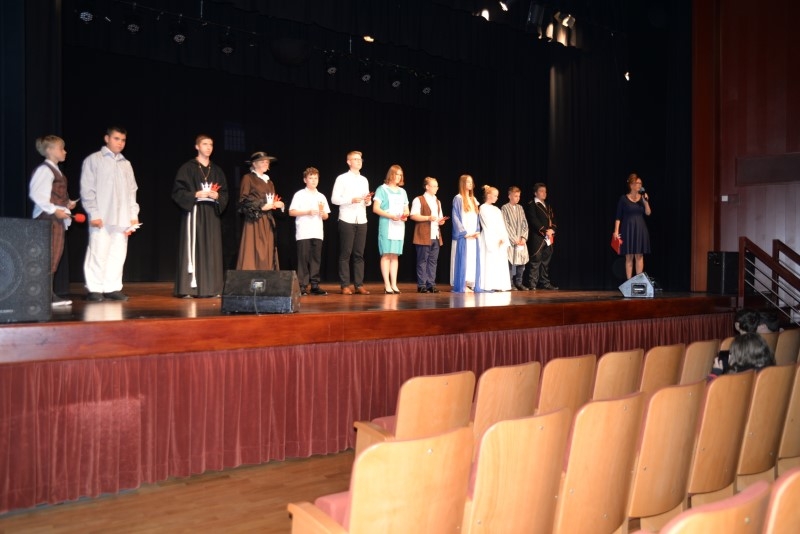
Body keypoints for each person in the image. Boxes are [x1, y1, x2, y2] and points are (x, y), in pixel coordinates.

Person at [80, 126, 140, 302]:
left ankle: (112, 287)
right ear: (107, 139)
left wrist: (133, 214)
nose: (120, 143)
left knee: (118, 254)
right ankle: (95, 289)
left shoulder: (126, 164)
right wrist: (93, 213)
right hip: (102, 216)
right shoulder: (94, 160)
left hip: (122, 217)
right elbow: (87, 189)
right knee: (98, 252)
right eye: (116, 139)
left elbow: (132, 191)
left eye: (123, 140)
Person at [171, 135, 229, 298]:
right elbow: (177, 192)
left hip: (211, 214)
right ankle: (189, 288)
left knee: (211, 248)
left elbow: (225, 193)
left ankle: (212, 288)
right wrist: (195, 194)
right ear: (197, 146)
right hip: (194, 212)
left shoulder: (216, 170)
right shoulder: (187, 168)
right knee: (192, 247)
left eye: (211, 144)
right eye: (205, 144)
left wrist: (217, 196)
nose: (208, 147)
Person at [29, 135, 78, 307]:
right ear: (50, 150)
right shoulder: (45, 170)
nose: (65, 151)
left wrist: (67, 203)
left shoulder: (56, 171)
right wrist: (54, 210)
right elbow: (37, 194)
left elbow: (55, 194)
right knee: (48, 255)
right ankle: (44, 295)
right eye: (61, 148)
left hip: (55, 219)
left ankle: (47, 294)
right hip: (47, 219)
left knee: (54, 255)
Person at [331, 150, 372, 295]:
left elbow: (368, 202)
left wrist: (368, 201)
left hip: (362, 219)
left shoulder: (364, 180)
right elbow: (334, 199)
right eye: (355, 159)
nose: (359, 161)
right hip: (346, 219)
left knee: (359, 254)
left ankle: (359, 285)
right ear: (348, 162)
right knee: (345, 254)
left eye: (360, 159)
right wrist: (350, 200)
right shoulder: (341, 178)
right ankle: (345, 285)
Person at [236, 151, 285, 270]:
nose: (266, 163)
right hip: (254, 221)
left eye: (267, 162)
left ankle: (267, 276)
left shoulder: (269, 182)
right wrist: (261, 206)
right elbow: (243, 201)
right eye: (262, 161)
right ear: (254, 164)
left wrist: (278, 204)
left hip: (267, 220)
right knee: (253, 250)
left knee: (267, 249)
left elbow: (272, 200)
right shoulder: (248, 178)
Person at [288, 167, 330, 296]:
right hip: (304, 232)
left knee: (316, 259)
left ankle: (315, 285)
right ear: (305, 180)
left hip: (317, 232)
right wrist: (307, 212)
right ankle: (302, 285)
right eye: (310, 178)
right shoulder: (299, 194)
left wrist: (323, 214)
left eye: (316, 178)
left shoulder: (321, 196)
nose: (313, 180)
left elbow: (326, 216)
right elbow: (291, 212)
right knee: (303, 259)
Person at [373, 165, 409, 294]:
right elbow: (375, 208)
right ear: (391, 175)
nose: (398, 177)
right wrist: (390, 216)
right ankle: (387, 284)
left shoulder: (403, 192)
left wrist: (405, 215)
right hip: (387, 224)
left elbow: (406, 209)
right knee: (386, 254)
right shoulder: (382, 189)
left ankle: (394, 284)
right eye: (396, 174)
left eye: (400, 175)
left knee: (395, 255)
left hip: (399, 225)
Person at [410, 177, 446, 293]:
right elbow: (413, 215)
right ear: (427, 187)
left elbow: (440, 217)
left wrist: (441, 221)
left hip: (435, 235)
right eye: (434, 186)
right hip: (423, 235)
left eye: (437, 186)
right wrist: (428, 218)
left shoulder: (437, 201)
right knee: (422, 260)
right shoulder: (419, 199)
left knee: (433, 261)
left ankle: (431, 284)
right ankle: (422, 284)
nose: (437, 188)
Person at [613, 173, 652, 279]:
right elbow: (618, 216)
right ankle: (629, 282)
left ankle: (638, 281)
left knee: (639, 255)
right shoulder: (623, 199)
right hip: (627, 229)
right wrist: (616, 231)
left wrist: (646, 202)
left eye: (640, 183)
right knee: (629, 256)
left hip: (640, 229)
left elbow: (648, 213)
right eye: (637, 183)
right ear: (631, 185)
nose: (639, 185)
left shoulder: (642, 198)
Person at [450, 174, 482, 293]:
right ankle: (462, 283)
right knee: (463, 259)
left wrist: (477, 230)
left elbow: (476, 217)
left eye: (471, 182)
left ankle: (469, 283)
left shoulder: (473, 199)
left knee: (471, 259)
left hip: (473, 235)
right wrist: (463, 232)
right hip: (464, 235)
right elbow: (455, 217)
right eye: (468, 182)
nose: (470, 184)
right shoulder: (458, 198)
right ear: (463, 183)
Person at [525, 182, 557, 290]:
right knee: (535, 261)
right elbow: (533, 220)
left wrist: (552, 229)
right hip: (537, 237)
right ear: (535, 193)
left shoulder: (548, 205)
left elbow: (553, 219)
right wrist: (544, 230)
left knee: (545, 262)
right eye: (541, 191)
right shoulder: (532, 205)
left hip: (549, 237)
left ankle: (545, 283)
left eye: (545, 191)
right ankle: (532, 284)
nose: (544, 193)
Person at [479, 185, 512, 292]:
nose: (497, 198)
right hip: (489, 237)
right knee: (489, 260)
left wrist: (503, 237)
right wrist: (495, 238)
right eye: (495, 195)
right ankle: (488, 284)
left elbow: (501, 224)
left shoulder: (496, 209)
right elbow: (488, 224)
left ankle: (499, 284)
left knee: (499, 261)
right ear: (488, 195)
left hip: (499, 239)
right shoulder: (483, 208)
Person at [501, 185, 529, 291]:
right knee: (511, 261)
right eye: (516, 196)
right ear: (510, 196)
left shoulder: (520, 208)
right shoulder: (505, 208)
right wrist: (514, 239)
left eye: (519, 196)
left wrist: (523, 238)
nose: (518, 198)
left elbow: (524, 223)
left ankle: (519, 282)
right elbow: (506, 225)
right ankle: (510, 283)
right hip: (511, 240)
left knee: (521, 262)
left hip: (521, 240)